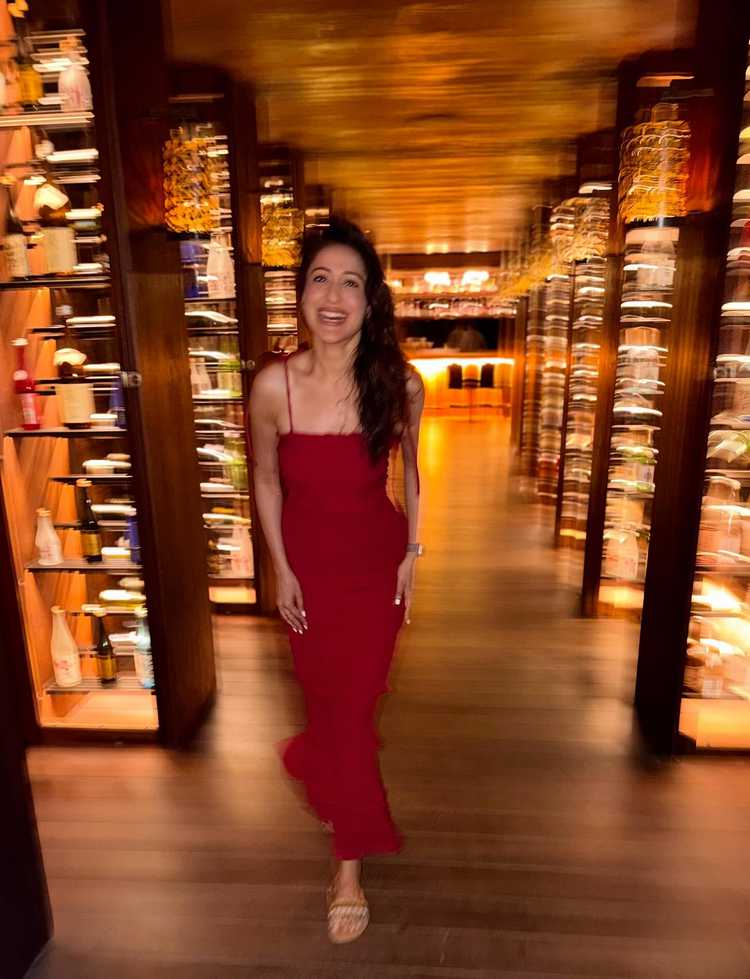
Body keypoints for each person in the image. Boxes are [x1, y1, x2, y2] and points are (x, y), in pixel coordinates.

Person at [249, 218, 425, 944]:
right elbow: (265, 479)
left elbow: (412, 472)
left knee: (354, 710)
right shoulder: (273, 386)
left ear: (370, 300)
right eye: (321, 278)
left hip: (374, 570)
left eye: (351, 282)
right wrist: (280, 568)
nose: (334, 296)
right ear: (301, 295)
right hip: (309, 575)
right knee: (328, 701)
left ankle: (347, 868)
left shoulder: (399, 384)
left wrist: (413, 552)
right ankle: (327, 770)